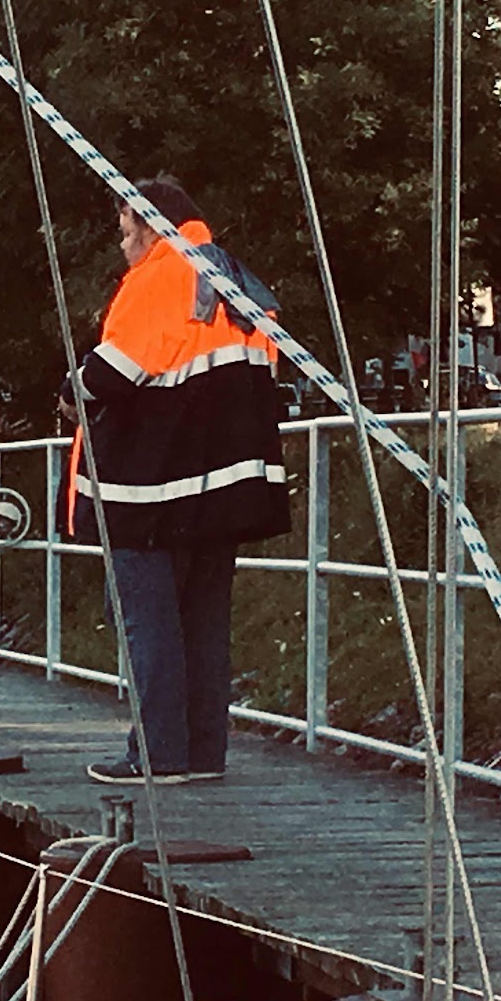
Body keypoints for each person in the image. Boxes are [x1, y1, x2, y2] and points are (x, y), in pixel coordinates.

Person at [62, 175, 289, 784]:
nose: (123, 247)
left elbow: (115, 371)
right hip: (225, 489)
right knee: (204, 624)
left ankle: (158, 755)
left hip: (152, 489)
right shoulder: (237, 280)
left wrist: (70, 390)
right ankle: (203, 753)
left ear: (148, 225)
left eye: (124, 231)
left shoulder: (161, 275)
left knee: (152, 623)